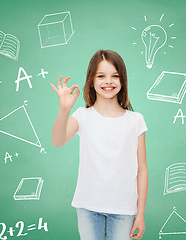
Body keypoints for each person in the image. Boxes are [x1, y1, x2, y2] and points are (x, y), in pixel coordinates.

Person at [50, 50, 148, 240]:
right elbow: (57, 141)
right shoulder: (83, 115)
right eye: (101, 76)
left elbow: (142, 169)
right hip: (88, 206)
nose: (108, 81)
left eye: (115, 76)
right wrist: (64, 109)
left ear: (123, 80)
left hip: (124, 208)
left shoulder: (135, 120)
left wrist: (141, 214)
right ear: (92, 81)